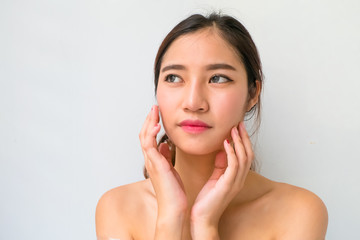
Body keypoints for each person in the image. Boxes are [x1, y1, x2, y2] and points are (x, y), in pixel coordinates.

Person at [95, 13, 328, 240]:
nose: (193, 103)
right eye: (174, 78)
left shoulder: (299, 212)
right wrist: (171, 218)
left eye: (217, 78)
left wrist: (205, 225)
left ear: (252, 93)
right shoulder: (117, 208)